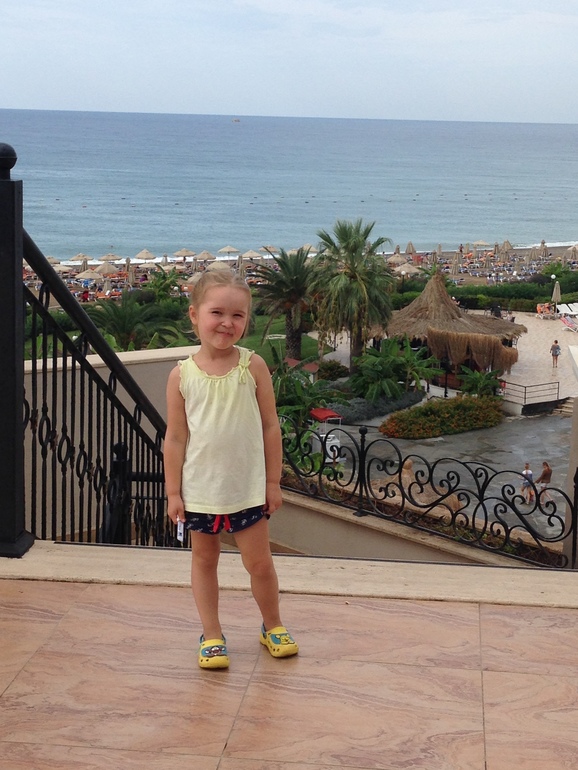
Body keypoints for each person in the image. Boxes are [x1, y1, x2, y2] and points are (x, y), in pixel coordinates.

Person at [164, 269, 298, 670]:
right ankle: (211, 634)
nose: (227, 323)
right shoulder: (181, 375)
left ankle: (272, 625)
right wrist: (174, 492)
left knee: (260, 564)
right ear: (194, 315)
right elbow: (176, 438)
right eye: (217, 312)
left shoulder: (252, 367)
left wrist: (272, 482)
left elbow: (270, 426)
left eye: (237, 315)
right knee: (204, 562)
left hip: (247, 491)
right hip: (200, 493)